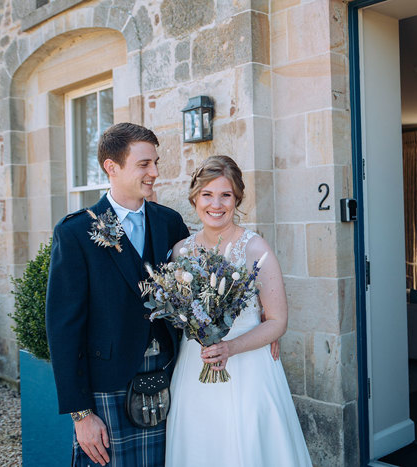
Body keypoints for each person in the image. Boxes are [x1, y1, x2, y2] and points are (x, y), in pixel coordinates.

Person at [46, 122, 189, 466]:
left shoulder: (169, 222)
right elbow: (63, 327)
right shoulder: (77, 231)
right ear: (112, 167)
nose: (154, 172)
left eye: (155, 162)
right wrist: (81, 415)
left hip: (169, 372)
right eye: (144, 164)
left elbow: (194, 287)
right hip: (108, 383)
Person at [165, 155, 313, 467]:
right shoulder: (181, 252)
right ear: (194, 198)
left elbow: (278, 320)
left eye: (225, 195)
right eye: (207, 194)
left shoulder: (256, 249)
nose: (215, 204)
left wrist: (229, 347)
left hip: (249, 371)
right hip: (195, 370)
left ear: (237, 199)